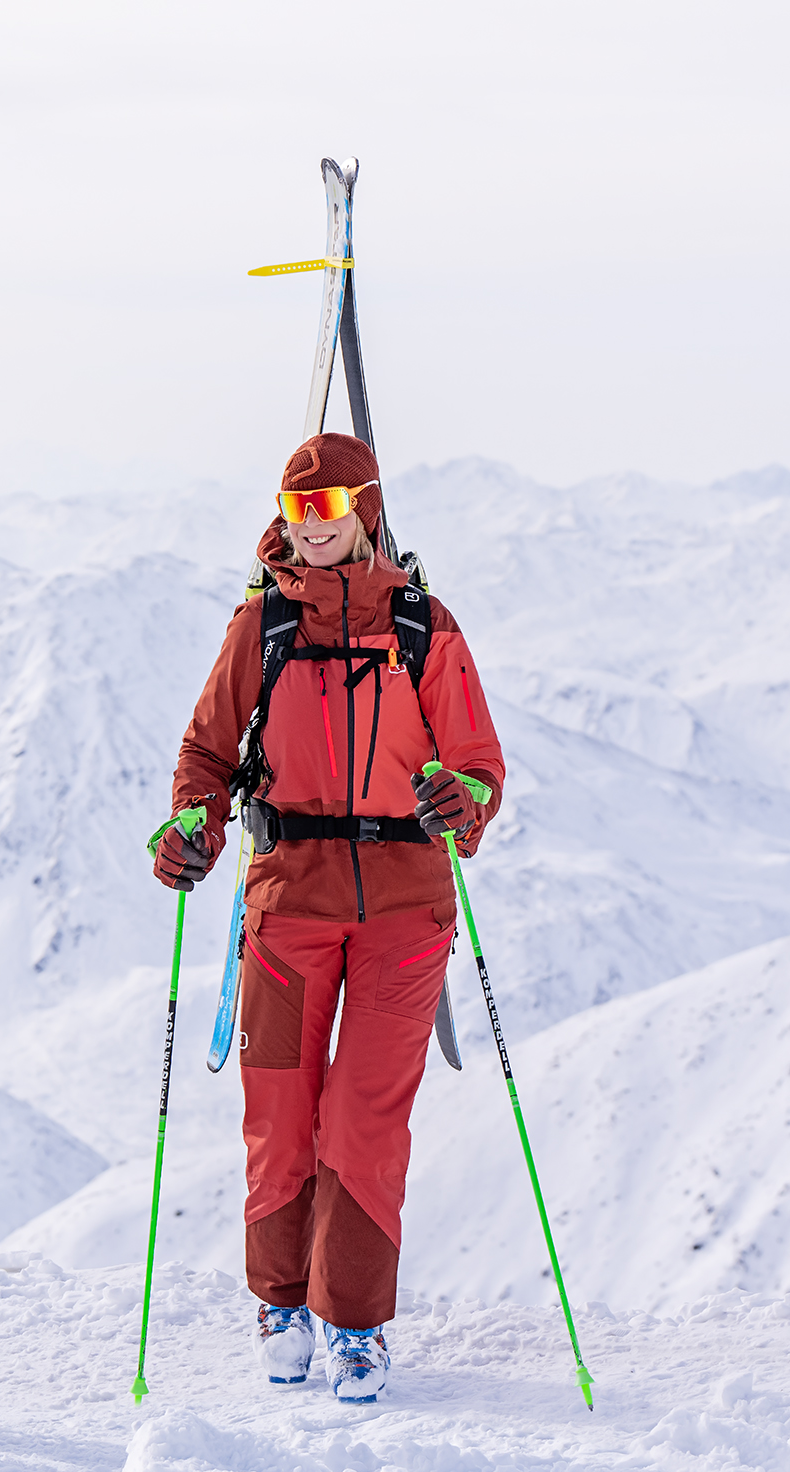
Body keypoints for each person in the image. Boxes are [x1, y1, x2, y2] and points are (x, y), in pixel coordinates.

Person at [157, 432, 504, 1404]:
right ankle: (281, 1304)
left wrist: (458, 805)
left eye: (333, 508)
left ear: (366, 509)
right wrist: (189, 831)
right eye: (298, 509)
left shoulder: (423, 626)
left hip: (406, 901)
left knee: (364, 1119)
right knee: (280, 1114)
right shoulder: (259, 627)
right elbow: (206, 752)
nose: (314, 528)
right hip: (286, 895)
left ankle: (355, 1324)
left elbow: (478, 760)